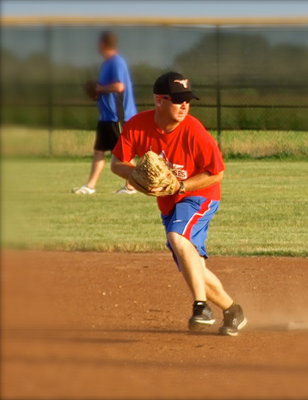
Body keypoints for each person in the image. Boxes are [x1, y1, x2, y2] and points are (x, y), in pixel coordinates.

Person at [111, 72, 247, 336]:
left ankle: (201, 307)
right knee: (192, 263)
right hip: (169, 204)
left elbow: (217, 172)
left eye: (187, 100)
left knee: (177, 236)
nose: (184, 105)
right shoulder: (138, 126)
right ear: (159, 101)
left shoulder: (194, 130)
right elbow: (117, 163)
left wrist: (181, 186)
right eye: (177, 100)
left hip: (200, 196)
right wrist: (135, 175)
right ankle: (233, 310)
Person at [73, 31, 137, 195]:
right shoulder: (107, 63)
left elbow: (119, 86)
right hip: (107, 116)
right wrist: (98, 92)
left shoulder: (117, 62)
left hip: (118, 116)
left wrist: (99, 88)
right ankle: (90, 186)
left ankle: (131, 186)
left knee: (125, 153)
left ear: (102, 44)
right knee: (99, 151)